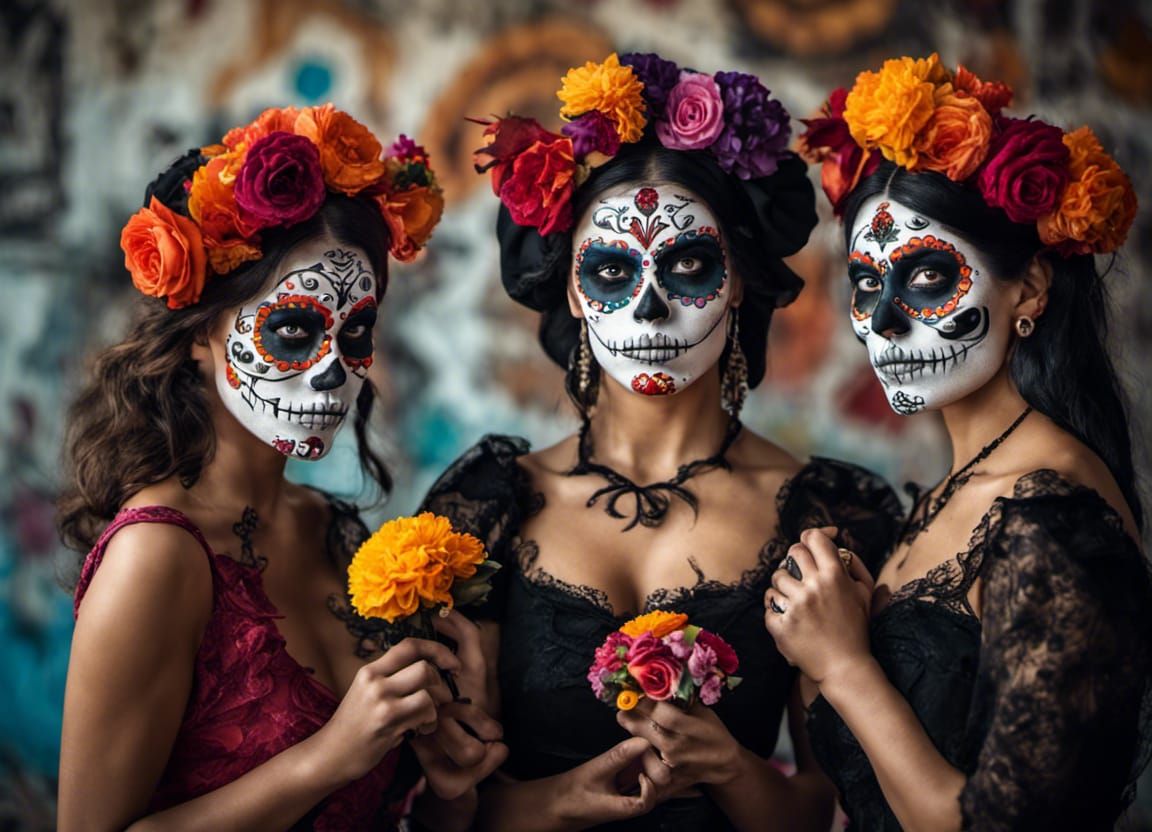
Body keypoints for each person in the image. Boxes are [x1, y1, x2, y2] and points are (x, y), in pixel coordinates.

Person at [421, 53, 902, 831]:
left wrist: (730, 768)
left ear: (739, 279)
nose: (647, 311)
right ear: (572, 290)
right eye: (611, 271)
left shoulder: (828, 517)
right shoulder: (484, 509)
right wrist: (561, 802)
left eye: (687, 265)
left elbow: (826, 811)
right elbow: (435, 815)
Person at [57, 105, 505, 831]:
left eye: (355, 332)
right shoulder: (156, 557)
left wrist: (451, 792)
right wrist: (329, 755)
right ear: (201, 331)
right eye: (294, 330)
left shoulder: (336, 531)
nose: (334, 373)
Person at [768, 54, 1152, 830]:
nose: (885, 323)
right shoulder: (956, 488)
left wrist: (843, 665)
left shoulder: (1055, 519)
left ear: (1032, 289)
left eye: (928, 279)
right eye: (869, 285)